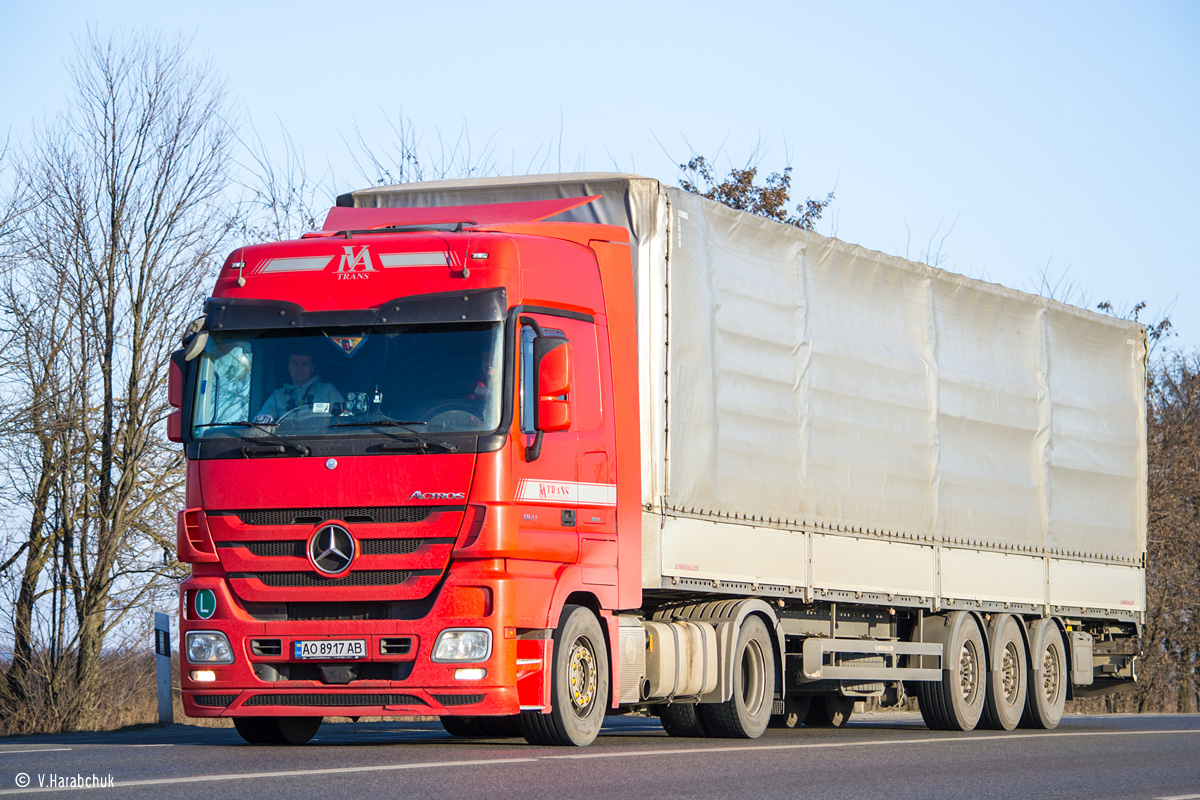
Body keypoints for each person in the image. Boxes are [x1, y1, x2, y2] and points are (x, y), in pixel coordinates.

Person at [255, 351, 344, 423]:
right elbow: (261, 422)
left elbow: (343, 418)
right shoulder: (277, 395)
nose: (299, 368)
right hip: (284, 442)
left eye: (304, 364)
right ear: (288, 367)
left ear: (312, 368)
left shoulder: (327, 390)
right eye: (295, 364)